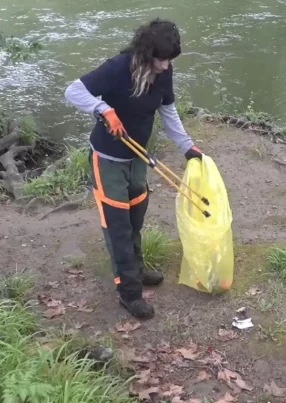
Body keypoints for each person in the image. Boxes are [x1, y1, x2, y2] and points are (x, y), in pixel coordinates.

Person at [64, 18, 203, 320]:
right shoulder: (117, 67)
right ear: (145, 53)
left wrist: (187, 146)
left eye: (169, 60)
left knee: (135, 218)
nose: (166, 66)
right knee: (118, 227)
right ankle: (128, 293)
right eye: (161, 59)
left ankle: (136, 271)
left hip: (138, 159)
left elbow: (167, 110)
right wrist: (103, 109)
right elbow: (73, 91)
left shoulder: (163, 72)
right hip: (108, 160)